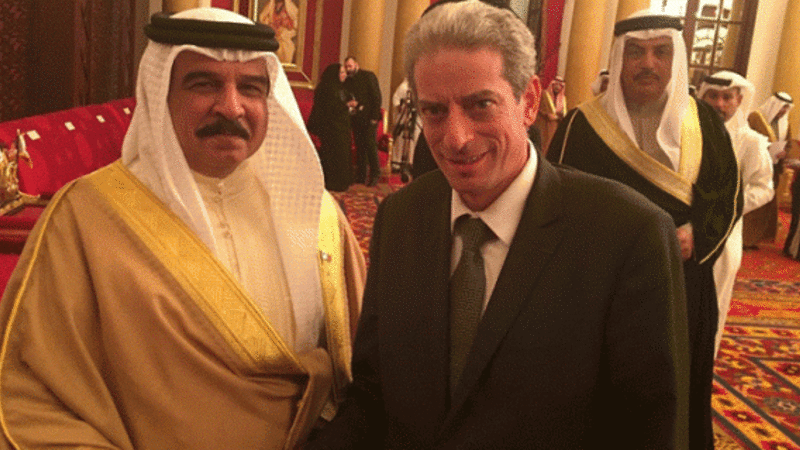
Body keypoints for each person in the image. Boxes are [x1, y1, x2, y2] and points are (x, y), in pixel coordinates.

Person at [307, 1, 690, 448]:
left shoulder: (628, 235)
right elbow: (373, 396)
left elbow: (649, 432)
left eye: (481, 105)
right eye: (435, 111)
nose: (456, 138)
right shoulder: (401, 218)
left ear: (529, 102)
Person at [0, 8, 365, 449]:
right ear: (160, 95)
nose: (231, 107)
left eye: (251, 88)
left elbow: (362, 372)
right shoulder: (86, 218)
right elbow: (32, 395)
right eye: (203, 84)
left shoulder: (314, 218)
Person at [547, 10, 741, 450]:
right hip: (602, 289)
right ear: (619, 58)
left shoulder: (705, 122)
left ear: (677, 58)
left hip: (682, 283)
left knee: (674, 388)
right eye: (635, 52)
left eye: (660, 52)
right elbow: (554, 203)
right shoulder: (581, 124)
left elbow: (727, 193)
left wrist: (698, 236)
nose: (647, 63)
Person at [698, 72, 774, 355]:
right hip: (685, 229)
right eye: (713, 96)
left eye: (727, 97)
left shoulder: (750, 141)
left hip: (725, 234)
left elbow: (764, 188)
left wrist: (725, 207)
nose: (720, 104)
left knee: (714, 302)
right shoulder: (688, 131)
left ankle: (705, 364)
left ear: (739, 101)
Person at [748, 92, 794, 250]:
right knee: (752, 200)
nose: (783, 111)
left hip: (774, 168)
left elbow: (788, 144)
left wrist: (784, 153)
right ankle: (745, 238)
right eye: (782, 107)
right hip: (756, 166)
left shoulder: (785, 124)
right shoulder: (755, 117)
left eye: (786, 108)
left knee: (765, 203)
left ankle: (755, 238)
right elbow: (748, 139)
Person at [308, 63, 354, 191]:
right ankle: (333, 183)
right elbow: (329, 109)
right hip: (331, 129)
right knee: (333, 156)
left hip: (341, 128)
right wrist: (346, 105)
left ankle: (342, 182)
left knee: (342, 155)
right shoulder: (327, 88)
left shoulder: (341, 88)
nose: (344, 75)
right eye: (342, 72)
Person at [343, 56, 382, 186]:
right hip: (356, 118)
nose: (348, 69)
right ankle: (361, 175)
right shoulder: (348, 81)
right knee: (360, 147)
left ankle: (375, 174)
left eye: (350, 66)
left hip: (369, 118)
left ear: (356, 65)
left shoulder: (368, 76)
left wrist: (374, 118)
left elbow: (376, 97)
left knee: (370, 146)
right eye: (346, 67)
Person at [391, 78, 422, 182]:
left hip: (416, 118)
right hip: (404, 119)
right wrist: (401, 106)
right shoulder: (404, 87)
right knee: (400, 141)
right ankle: (397, 163)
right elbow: (396, 100)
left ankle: (411, 162)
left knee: (415, 140)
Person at [534, 75, 567, 155]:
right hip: (544, 127)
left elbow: (564, 114)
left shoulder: (563, 99)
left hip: (555, 128)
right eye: (556, 85)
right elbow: (538, 108)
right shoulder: (544, 94)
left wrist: (557, 117)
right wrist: (547, 115)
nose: (557, 87)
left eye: (560, 86)